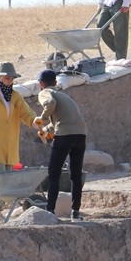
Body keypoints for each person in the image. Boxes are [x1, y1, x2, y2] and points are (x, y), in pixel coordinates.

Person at [36, 69, 88, 220]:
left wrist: (40, 120)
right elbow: (61, 120)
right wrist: (45, 131)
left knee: (54, 173)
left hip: (65, 135)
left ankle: (50, 211)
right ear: (55, 82)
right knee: (76, 175)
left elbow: (50, 104)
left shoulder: (45, 93)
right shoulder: (65, 96)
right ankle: (75, 213)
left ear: (41, 84)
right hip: (80, 134)